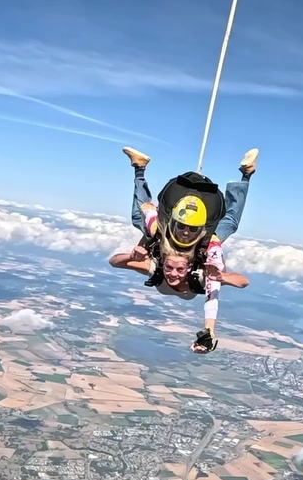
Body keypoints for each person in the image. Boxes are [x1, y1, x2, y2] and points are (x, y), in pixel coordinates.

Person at [108, 146, 258, 353]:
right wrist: (209, 330)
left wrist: (137, 247)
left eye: (178, 269)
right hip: (177, 231)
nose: (173, 274)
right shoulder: (203, 268)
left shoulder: (162, 266)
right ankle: (247, 175)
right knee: (228, 224)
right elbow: (238, 284)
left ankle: (139, 169)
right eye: (170, 268)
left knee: (143, 222)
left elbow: (115, 262)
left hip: (175, 231)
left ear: (188, 268)